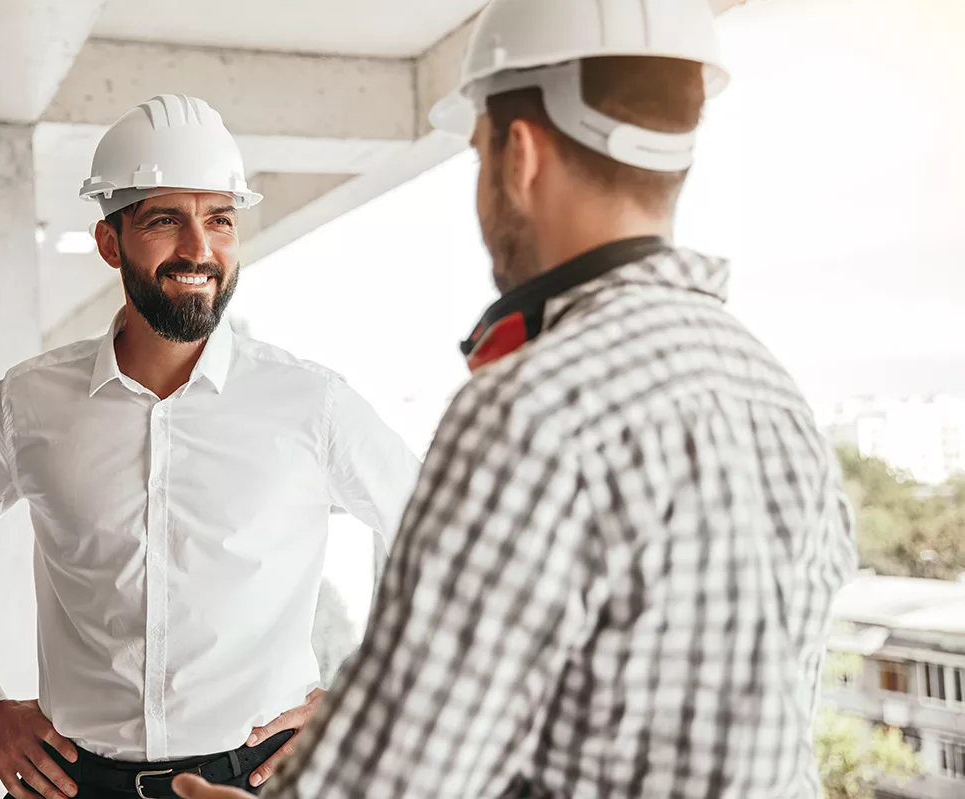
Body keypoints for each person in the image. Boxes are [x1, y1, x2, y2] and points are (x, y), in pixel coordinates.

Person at [171, 1, 859, 798]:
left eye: (478, 152)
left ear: (520, 155)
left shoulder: (535, 406)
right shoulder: (770, 394)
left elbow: (390, 782)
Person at [0, 93, 421, 799]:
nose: (199, 250)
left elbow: (453, 548)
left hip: (261, 781)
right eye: (165, 220)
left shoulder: (311, 404)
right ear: (110, 241)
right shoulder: (30, 403)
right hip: (72, 785)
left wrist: (366, 700)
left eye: (220, 220)